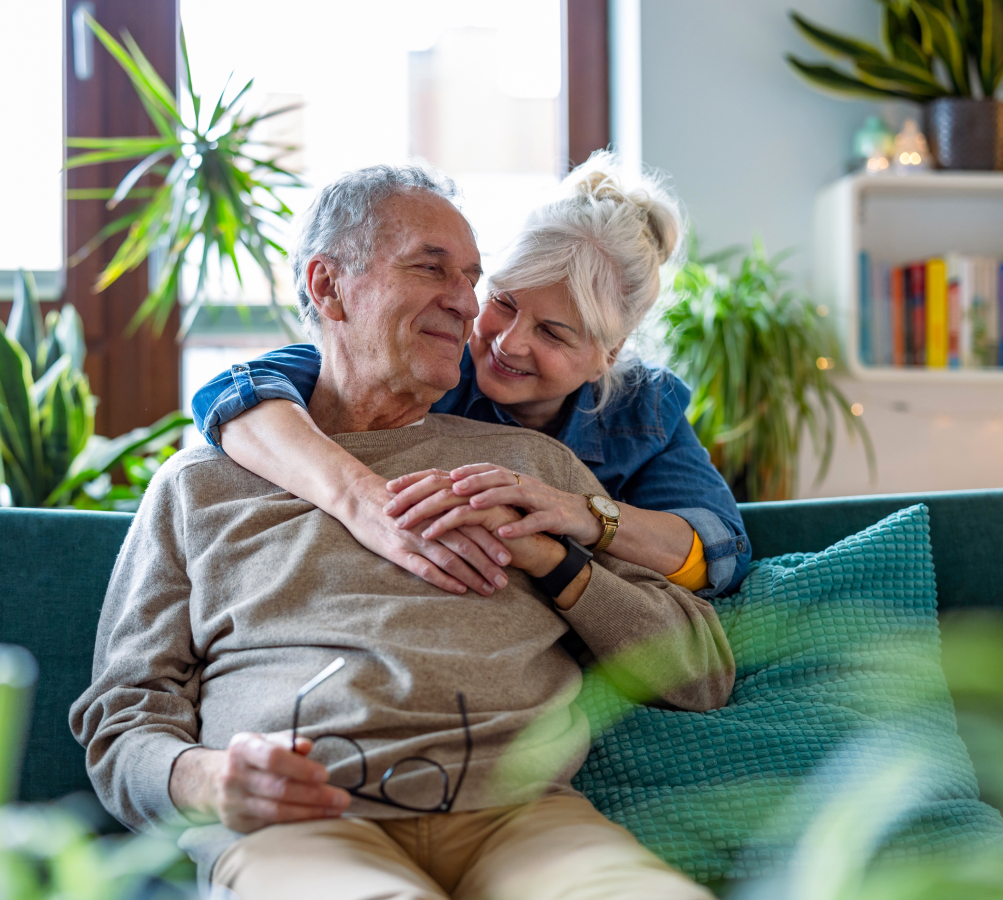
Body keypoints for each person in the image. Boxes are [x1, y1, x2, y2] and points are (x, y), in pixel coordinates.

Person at [71, 165, 733, 900]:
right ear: (327, 288)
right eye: (432, 268)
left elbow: (702, 666)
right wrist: (210, 779)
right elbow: (122, 719)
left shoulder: (533, 469)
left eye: (473, 276)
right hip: (304, 825)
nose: (469, 304)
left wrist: (556, 559)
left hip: (524, 819)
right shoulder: (202, 483)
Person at [192, 152, 750, 606]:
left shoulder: (644, 409)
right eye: (503, 303)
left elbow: (719, 551)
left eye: (553, 333)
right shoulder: (432, 364)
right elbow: (235, 395)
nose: (509, 342)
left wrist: (581, 513)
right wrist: (362, 500)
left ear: (609, 353)